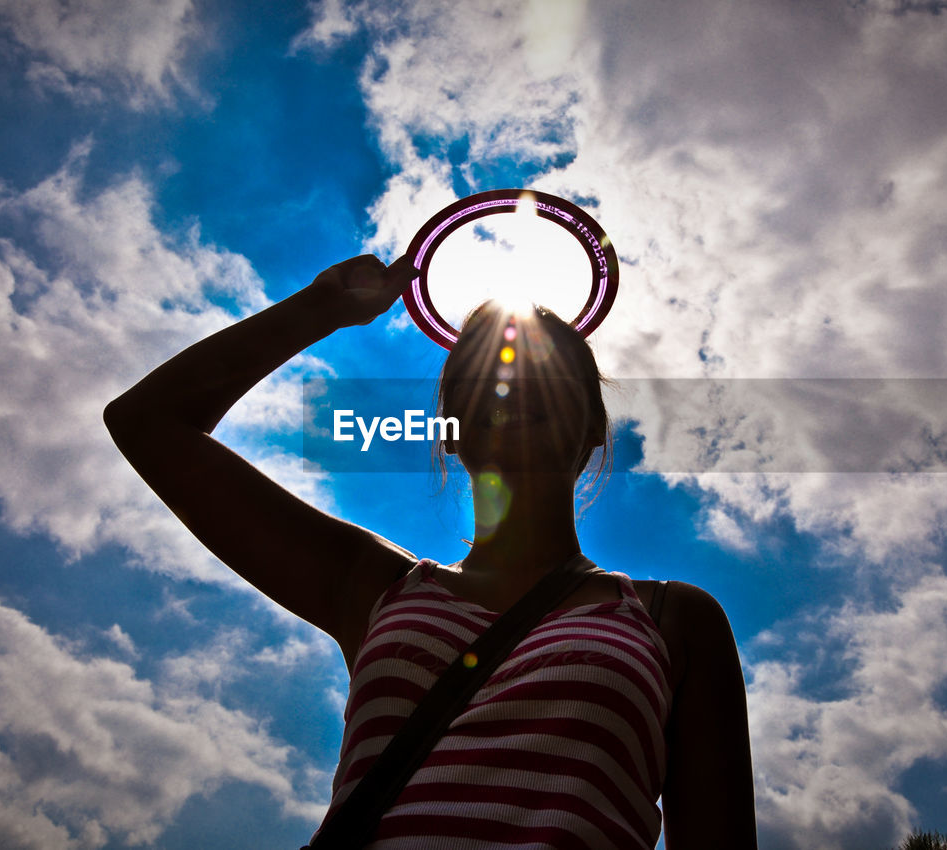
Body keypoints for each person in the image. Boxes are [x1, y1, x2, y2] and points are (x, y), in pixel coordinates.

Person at [104, 253, 757, 849]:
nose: (512, 385)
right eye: (482, 377)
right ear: (451, 430)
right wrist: (322, 308)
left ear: (591, 427)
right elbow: (148, 423)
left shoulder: (676, 620)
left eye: (546, 374)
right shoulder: (373, 586)